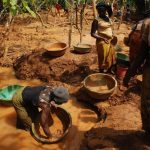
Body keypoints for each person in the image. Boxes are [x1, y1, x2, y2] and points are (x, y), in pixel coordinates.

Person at [123, 17, 150, 135]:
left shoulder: (147, 23)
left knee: (147, 101)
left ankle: (148, 131)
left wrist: (129, 73)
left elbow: (142, 53)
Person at [91, 2, 116, 73]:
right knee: (102, 58)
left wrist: (112, 35)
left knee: (110, 57)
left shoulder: (108, 18)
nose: (101, 12)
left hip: (110, 40)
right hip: (102, 42)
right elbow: (92, 33)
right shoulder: (96, 20)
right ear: (98, 11)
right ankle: (101, 72)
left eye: (103, 11)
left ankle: (109, 70)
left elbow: (110, 11)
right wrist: (103, 38)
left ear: (105, 11)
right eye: (99, 11)